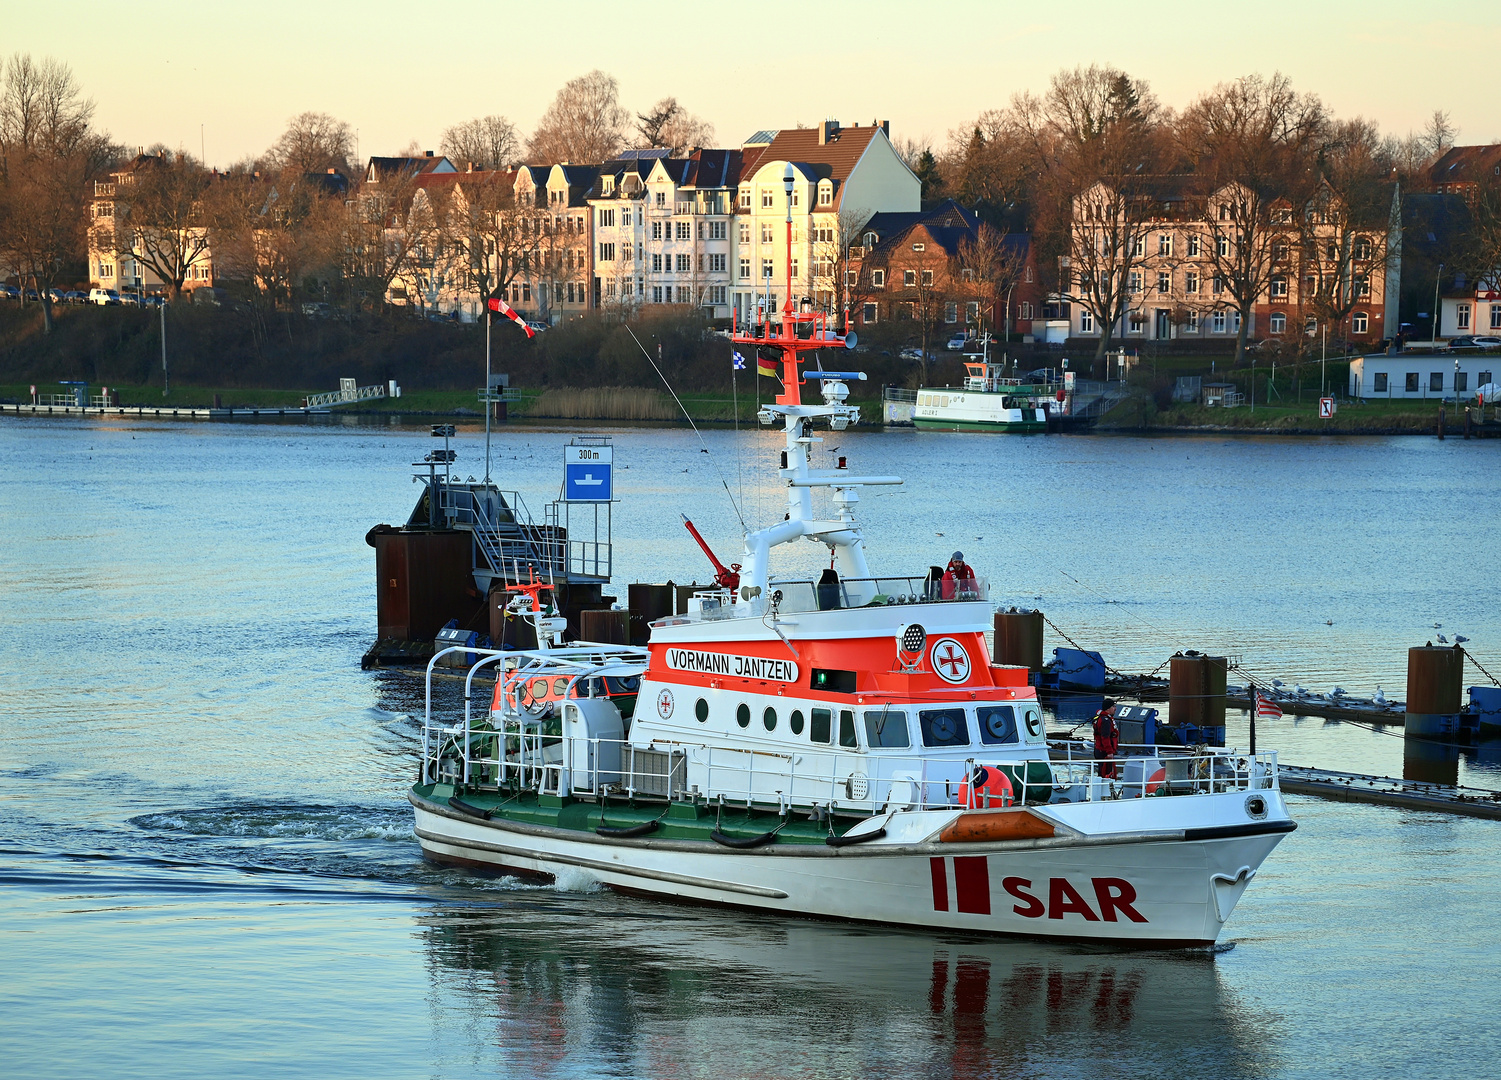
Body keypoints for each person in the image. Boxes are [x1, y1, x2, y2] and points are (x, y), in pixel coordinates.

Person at [1092, 699, 1119, 779]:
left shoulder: (1102, 718)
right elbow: (1105, 737)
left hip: (1100, 750)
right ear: (1108, 708)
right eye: (1113, 706)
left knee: (1103, 772)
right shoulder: (1106, 721)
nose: (1115, 709)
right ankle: (1104, 789)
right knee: (1105, 774)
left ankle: (1102, 788)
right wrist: (1109, 752)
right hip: (1104, 752)